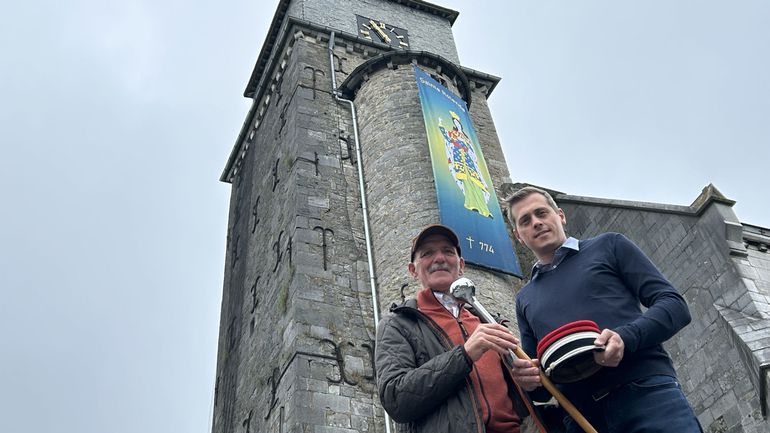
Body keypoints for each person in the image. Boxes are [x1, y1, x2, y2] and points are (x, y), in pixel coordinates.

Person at [504, 186, 702, 433]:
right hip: (580, 416)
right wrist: (529, 381)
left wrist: (625, 338)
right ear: (518, 236)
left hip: (647, 396)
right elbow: (542, 381)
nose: (536, 222)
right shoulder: (524, 298)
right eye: (526, 220)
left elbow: (674, 305)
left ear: (560, 215)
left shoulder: (609, 245)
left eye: (541, 213)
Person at [375, 224, 547, 433]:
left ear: (461, 265)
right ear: (413, 270)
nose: (439, 258)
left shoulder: (488, 320)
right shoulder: (398, 323)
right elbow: (395, 399)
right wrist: (464, 354)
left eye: (448, 251)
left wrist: (528, 383)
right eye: (427, 253)